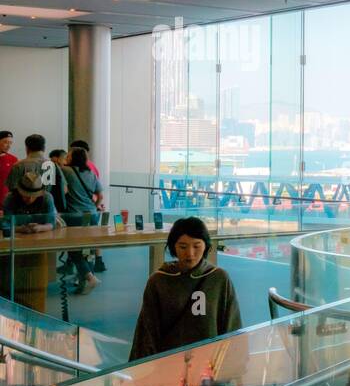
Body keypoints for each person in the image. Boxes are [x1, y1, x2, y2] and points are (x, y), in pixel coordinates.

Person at [129, 217, 243, 360]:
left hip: (208, 367)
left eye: (197, 246)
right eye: (183, 247)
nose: (190, 253)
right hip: (168, 365)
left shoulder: (219, 278)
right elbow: (146, 333)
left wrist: (234, 367)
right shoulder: (158, 281)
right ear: (173, 247)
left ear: (206, 246)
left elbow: (232, 328)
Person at [1, 168, 57, 312]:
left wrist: (39, 228)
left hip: (37, 245)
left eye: (33, 196)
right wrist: (22, 229)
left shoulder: (47, 198)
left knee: (34, 282)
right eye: (26, 195)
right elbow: (5, 225)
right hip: (13, 248)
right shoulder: (10, 198)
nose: (30, 199)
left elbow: (51, 223)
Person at [60, 147, 104, 294]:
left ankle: (89, 277)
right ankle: (83, 282)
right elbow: (101, 196)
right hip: (91, 215)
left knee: (73, 248)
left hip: (75, 216)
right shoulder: (91, 174)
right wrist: (94, 207)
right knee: (88, 248)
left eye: (68, 156)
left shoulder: (66, 171)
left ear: (72, 158)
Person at [6, 133, 66, 215]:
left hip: (23, 214)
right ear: (44, 148)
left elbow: (12, 190)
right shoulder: (54, 166)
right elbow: (64, 190)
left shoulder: (18, 165)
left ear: (27, 148)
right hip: (47, 213)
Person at [0, 130, 17, 211]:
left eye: (10, 143)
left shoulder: (13, 160)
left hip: (7, 202)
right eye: (5, 142)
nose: (8, 146)